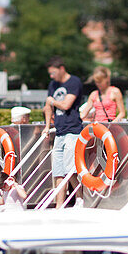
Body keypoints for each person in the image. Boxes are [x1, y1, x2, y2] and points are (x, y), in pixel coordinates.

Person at [42, 55, 84, 208]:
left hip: (73, 130)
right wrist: (47, 126)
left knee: (69, 168)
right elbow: (48, 107)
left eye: (53, 73)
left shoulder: (74, 82)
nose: (52, 76)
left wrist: (52, 101)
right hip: (59, 131)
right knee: (58, 171)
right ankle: (60, 204)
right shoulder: (53, 85)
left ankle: (80, 198)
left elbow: (66, 105)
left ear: (61, 69)